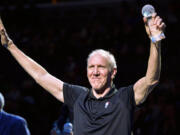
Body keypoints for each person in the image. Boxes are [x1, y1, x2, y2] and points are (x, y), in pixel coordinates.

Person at [0, 11, 166, 135]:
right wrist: (10, 45)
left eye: (101, 67)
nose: (95, 72)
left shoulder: (124, 97)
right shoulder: (78, 96)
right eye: (91, 67)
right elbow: (41, 76)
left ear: (113, 72)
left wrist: (155, 43)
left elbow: (151, 80)